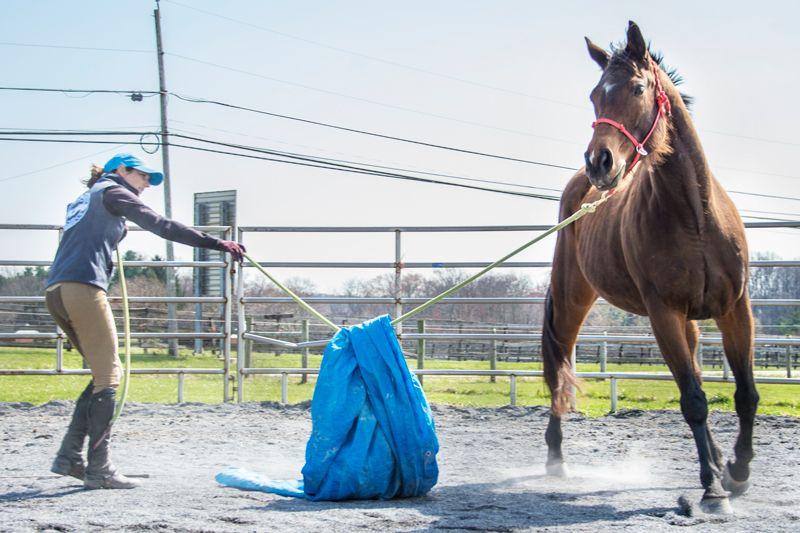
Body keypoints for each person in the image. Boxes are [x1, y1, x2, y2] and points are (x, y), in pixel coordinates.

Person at [45, 153, 245, 489]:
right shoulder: (113, 191)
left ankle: (70, 457)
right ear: (121, 171)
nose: (146, 186)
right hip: (83, 287)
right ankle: (99, 469)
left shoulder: (87, 197)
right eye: (143, 177)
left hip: (57, 289)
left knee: (100, 374)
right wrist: (215, 243)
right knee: (109, 376)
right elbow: (160, 225)